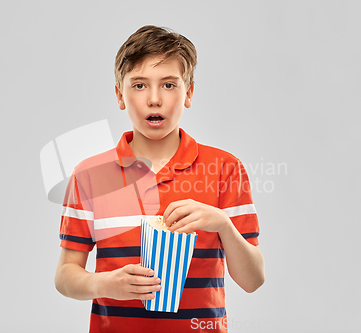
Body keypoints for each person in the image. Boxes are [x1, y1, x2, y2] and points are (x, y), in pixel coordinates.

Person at [54, 25, 264, 333]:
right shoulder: (89, 176)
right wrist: (105, 283)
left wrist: (222, 224)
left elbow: (253, 279)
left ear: (188, 92)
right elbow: (65, 276)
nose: (154, 99)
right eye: (139, 86)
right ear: (119, 95)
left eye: (168, 85)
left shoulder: (225, 169)